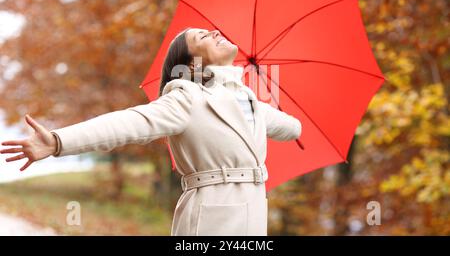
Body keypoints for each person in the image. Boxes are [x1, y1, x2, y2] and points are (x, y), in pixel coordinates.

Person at [0, 28, 302, 236]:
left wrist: (277, 105)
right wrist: (57, 141)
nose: (214, 32)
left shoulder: (250, 100)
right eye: (202, 36)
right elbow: (128, 123)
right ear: (192, 64)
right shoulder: (186, 97)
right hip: (211, 219)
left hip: (252, 221)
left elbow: (292, 127)